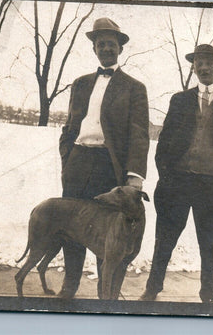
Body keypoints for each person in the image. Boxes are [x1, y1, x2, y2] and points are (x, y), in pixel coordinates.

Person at [140, 44, 213, 303]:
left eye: (209, 62)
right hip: (177, 183)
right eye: (199, 63)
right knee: (164, 241)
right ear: (193, 67)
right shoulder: (179, 100)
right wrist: (166, 175)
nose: (204, 67)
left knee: (209, 244)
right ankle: (152, 289)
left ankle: (208, 297)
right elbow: (164, 142)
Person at [58, 17, 149, 299]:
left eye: (111, 44)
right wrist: (67, 153)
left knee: (106, 233)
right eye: (101, 44)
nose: (106, 49)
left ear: (120, 49)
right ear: (94, 49)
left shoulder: (134, 88)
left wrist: (134, 176)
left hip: (109, 169)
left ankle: (105, 294)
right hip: (78, 162)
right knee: (71, 228)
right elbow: (71, 124)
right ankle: (69, 286)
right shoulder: (80, 83)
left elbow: (139, 135)